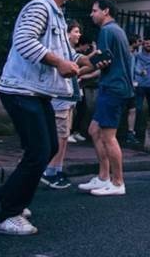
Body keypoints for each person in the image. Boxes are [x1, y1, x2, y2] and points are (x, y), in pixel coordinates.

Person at [0, 0, 100, 235]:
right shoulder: (39, 7)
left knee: (48, 146)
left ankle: (7, 194)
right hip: (20, 90)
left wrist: (82, 60)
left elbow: (62, 51)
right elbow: (24, 41)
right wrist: (59, 62)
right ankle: (9, 215)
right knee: (39, 151)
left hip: (36, 91)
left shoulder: (56, 13)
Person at [77, 0, 134, 197]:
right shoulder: (115, 31)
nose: (91, 14)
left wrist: (75, 70)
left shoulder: (107, 31)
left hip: (113, 88)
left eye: (94, 10)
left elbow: (100, 60)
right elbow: (105, 63)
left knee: (108, 137)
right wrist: (85, 73)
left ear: (106, 11)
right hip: (112, 86)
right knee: (94, 130)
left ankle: (118, 182)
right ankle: (103, 177)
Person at [40, 21, 89, 189]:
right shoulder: (62, 51)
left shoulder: (70, 51)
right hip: (60, 98)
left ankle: (57, 169)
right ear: (67, 34)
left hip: (68, 99)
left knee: (64, 136)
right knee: (60, 137)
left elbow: (79, 67)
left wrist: (92, 60)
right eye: (76, 31)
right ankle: (50, 171)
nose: (79, 35)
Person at [125, 34, 142, 145]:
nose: (140, 43)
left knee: (132, 109)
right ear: (134, 42)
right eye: (138, 41)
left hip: (129, 86)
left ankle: (130, 133)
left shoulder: (132, 55)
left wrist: (140, 72)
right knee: (131, 110)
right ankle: (129, 134)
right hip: (126, 86)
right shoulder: (128, 54)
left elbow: (133, 69)